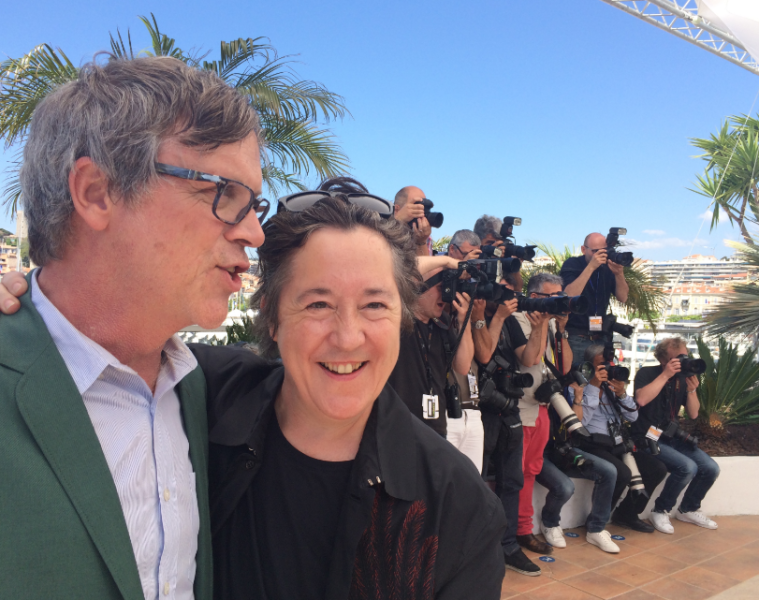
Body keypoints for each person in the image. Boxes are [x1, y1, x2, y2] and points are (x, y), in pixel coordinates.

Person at [0, 57, 266, 599]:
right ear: (97, 191)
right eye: (224, 194)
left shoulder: (200, 389)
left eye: (253, 204)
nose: (254, 234)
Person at [195, 197, 507, 599]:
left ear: (401, 316)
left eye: (374, 305)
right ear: (273, 317)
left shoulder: (459, 507)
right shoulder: (203, 398)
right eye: (318, 304)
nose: (347, 338)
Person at [472, 273, 545, 576]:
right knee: (475, 482)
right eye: (501, 290)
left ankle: (508, 545)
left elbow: (529, 359)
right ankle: (476, 549)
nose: (506, 297)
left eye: (509, 292)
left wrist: (539, 328)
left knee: (512, 482)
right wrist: (496, 316)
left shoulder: (511, 321)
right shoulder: (476, 314)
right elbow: (484, 354)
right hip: (481, 410)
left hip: (509, 406)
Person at [570, 344, 668, 551]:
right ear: (589, 366)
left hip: (617, 443)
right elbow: (581, 422)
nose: (608, 369)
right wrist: (593, 387)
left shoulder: (612, 387)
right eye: (602, 366)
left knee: (656, 469)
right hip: (592, 443)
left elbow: (632, 416)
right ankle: (596, 525)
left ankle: (627, 514)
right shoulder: (578, 386)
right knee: (621, 473)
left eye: (610, 364)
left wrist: (622, 393)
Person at [511, 273, 573, 556]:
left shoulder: (549, 323)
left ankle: (523, 528)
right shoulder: (518, 319)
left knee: (531, 470)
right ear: (535, 298)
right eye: (554, 296)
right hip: (522, 408)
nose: (559, 301)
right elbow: (531, 359)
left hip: (542, 407)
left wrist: (561, 330)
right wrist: (541, 326)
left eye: (561, 295)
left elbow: (564, 366)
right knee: (518, 473)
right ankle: (518, 530)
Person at [633, 337, 721, 533]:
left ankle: (688, 509)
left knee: (710, 468)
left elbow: (694, 413)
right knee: (687, 467)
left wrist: (692, 391)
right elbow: (641, 399)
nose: (683, 362)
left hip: (672, 437)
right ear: (663, 360)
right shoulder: (648, 373)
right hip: (647, 437)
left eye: (685, 357)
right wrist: (665, 374)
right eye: (678, 358)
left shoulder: (682, 379)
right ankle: (660, 510)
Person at [386, 268, 474, 440]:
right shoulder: (399, 317)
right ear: (420, 287)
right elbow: (400, 271)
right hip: (399, 425)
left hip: (436, 427)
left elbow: (463, 367)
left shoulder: (443, 322)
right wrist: (447, 263)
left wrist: (465, 321)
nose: (445, 295)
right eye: (441, 288)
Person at [445, 229, 486, 472]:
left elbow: (474, 359)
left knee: (473, 485)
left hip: (472, 408)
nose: (473, 266)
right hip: (445, 407)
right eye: (468, 256)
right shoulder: (438, 280)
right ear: (452, 250)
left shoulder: (472, 288)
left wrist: (472, 317)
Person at [560, 233, 629, 364]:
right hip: (577, 336)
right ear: (583, 249)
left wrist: (619, 274)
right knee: (577, 375)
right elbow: (569, 295)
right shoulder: (573, 264)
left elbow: (623, 297)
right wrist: (591, 267)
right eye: (595, 251)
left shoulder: (607, 267)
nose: (600, 255)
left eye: (604, 251)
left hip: (600, 336)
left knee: (601, 375)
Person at [393, 185, 432, 256]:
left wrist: (421, 242)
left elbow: (424, 262)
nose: (420, 212)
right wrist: (398, 220)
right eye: (415, 207)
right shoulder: (381, 228)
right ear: (397, 210)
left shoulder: (424, 235)